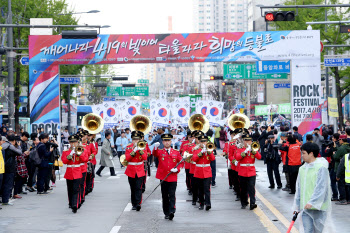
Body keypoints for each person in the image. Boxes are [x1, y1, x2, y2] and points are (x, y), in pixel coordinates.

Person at [293, 142, 333, 233]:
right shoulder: (302, 169)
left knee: (318, 231)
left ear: (311, 154)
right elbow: (299, 189)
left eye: (303, 153)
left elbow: (322, 188)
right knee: (308, 231)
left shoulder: (321, 168)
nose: (302, 155)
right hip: (305, 207)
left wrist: (313, 202)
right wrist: (297, 206)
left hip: (319, 207)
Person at [153, 133, 183, 220]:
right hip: (163, 177)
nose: (167, 142)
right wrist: (155, 147)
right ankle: (166, 212)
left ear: (171, 141)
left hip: (172, 176)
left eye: (168, 141)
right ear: (162, 142)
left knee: (172, 194)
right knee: (165, 195)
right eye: (165, 141)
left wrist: (177, 169)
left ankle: (172, 211)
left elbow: (181, 162)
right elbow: (154, 154)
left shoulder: (176, 152)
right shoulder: (160, 151)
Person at [235, 134, 262, 210]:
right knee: (243, 188)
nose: (247, 142)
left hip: (251, 170)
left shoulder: (253, 148)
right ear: (243, 141)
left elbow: (259, 157)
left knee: (251, 188)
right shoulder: (240, 148)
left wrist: (253, 151)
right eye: (246, 140)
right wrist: (245, 151)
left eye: (249, 141)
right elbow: (237, 157)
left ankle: (252, 203)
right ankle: (244, 202)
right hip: (242, 170)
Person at [61, 135, 86, 213]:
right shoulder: (66, 151)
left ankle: (75, 205)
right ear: (69, 143)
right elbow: (64, 161)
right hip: (69, 172)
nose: (73, 144)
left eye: (74, 142)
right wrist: (68, 157)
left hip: (77, 172)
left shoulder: (81, 150)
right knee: (70, 189)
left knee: (76, 189)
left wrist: (79, 154)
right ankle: (71, 203)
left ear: (77, 142)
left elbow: (85, 159)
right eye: (71, 142)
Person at [125, 131, 147, 211]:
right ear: (132, 140)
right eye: (134, 139)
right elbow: (127, 158)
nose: (136, 141)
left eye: (137, 139)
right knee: (133, 187)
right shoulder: (128, 147)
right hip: (131, 170)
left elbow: (145, 158)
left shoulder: (142, 146)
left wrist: (140, 151)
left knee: (138, 187)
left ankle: (138, 203)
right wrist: (134, 151)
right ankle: (133, 203)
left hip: (140, 169)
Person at [192, 135, 215, 211]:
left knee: (207, 189)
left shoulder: (209, 149)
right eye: (202, 142)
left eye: (205, 141)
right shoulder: (196, 149)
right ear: (199, 142)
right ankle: (201, 203)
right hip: (198, 171)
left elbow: (212, 159)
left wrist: (208, 152)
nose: (203, 143)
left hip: (207, 171)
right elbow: (194, 159)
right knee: (200, 189)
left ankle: (208, 204)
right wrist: (201, 152)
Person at [1, 134, 23, 205]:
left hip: (2, 168)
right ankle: (5, 201)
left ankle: (3, 199)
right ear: (14, 141)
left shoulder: (3, 146)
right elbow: (20, 153)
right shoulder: (10, 146)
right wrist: (19, 145)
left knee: (3, 184)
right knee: (8, 184)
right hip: (10, 168)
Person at [333, 134, 350, 205]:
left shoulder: (341, 149)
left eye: (339, 139)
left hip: (342, 169)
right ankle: (348, 199)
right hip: (347, 170)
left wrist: (334, 154)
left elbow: (336, 157)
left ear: (341, 140)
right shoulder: (348, 147)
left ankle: (343, 199)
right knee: (347, 186)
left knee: (341, 185)